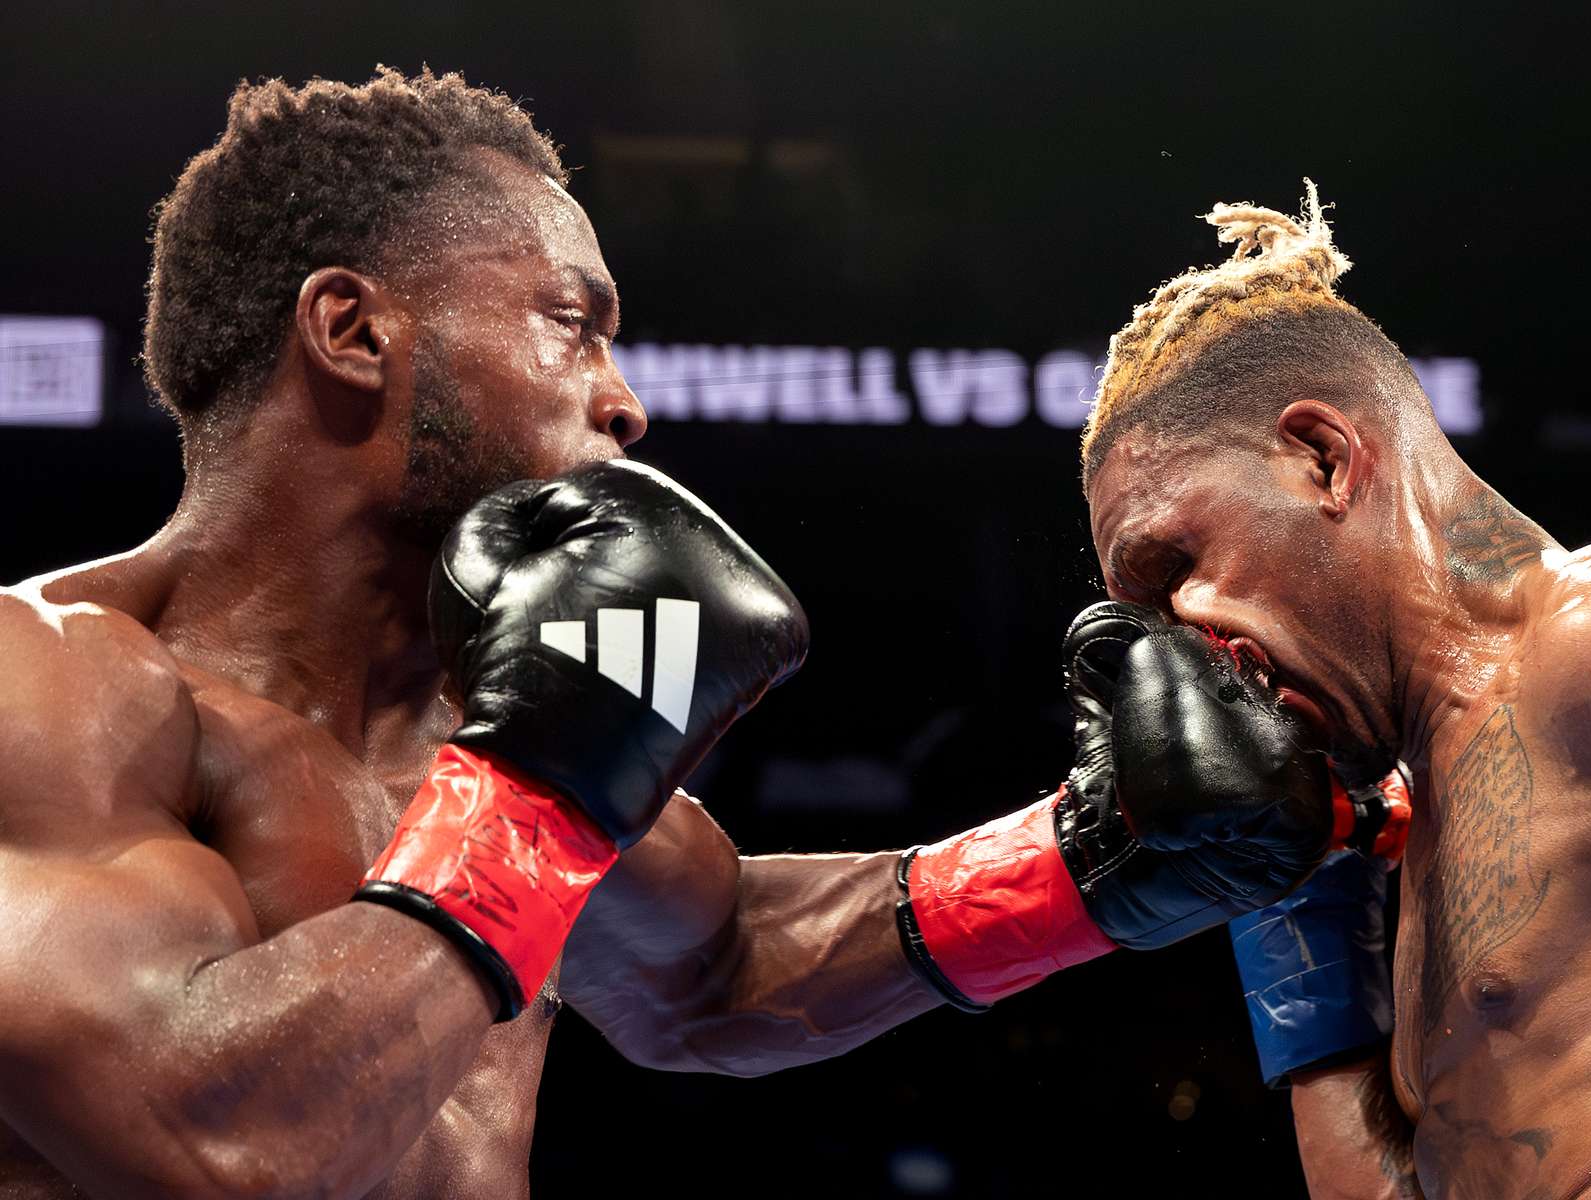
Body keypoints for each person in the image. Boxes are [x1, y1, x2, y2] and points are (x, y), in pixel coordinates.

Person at [0, 70, 1349, 1198]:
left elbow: (708, 973)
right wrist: (535, 792)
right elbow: (203, 1142)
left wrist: (1081, 863)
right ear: (352, 330)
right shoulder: (47, 686)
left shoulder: (485, 740)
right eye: (572, 325)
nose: (625, 401)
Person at [1079, 180, 1591, 1199]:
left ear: (1319, 458)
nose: (1179, 644)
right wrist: (1294, 921)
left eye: (1172, 566)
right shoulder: (1419, 822)